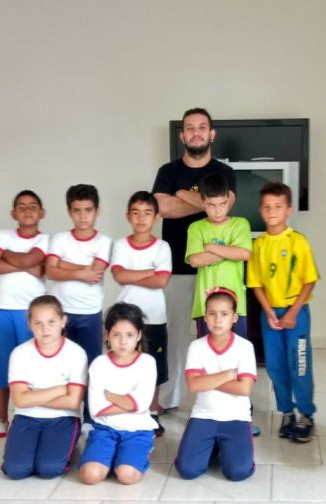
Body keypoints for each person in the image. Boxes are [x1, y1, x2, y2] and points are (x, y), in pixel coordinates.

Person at [152, 108, 236, 411]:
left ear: (211, 134)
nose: (196, 132)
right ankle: (168, 400)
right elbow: (164, 208)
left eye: (202, 127)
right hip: (176, 267)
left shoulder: (224, 172)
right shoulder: (168, 171)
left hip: (216, 269)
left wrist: (183, 195)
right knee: (174, 338)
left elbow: (226, 205)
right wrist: (208, 203)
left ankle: (217, 401)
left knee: (217, 336)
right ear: (182, 135)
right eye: (190, 127)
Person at [247, 182, 320, 443]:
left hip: (296, 314)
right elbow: (255, 283)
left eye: (278, 206)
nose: (272, 212)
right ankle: (287, 412)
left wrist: (292, 312)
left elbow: (309, 280)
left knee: (299, 365)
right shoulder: (258, 245)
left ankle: (306, 414)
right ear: (260, 210)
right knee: (275, 366)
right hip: (270, 315)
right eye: (267, 207)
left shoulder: (298, 241)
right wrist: (269, 312)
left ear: (289, 209)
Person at [0, 190, 49, 439]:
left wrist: (7, 255)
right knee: (0, 364)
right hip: (0, 310)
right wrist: (26, 264)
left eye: (33, 206)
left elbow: (36, 263)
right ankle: (1, 418)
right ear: (14, 213)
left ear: (42, 213)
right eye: (21, 206)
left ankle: (29, 415)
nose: (27, 210)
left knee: (31, 365)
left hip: (32, 313)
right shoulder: (2, 235)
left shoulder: (46, 240)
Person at [2, 295, 87, 479]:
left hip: (63, 417)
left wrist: (32, 396)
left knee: (49, 469)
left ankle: (65, 446)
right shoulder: (20, 353)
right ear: (29, 324)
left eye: (51, 322)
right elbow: (20, 401)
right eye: (38, 323)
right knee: (16, 470)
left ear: (63, 321)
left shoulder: (76, 353)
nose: (45, 329)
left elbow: (72, 402)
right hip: (26, 417)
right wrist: (60, 389)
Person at [175, 289, 257, 481]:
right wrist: (229, 375)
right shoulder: (197, 346)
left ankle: (220, 446)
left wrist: (206, 379)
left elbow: (244, 389)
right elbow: (193, 386)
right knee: (187, 470)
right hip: (204, 415)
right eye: (212, 313)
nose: (218, 320)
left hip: (236, 417)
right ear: (205, 317)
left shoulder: (245, 347)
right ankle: (213, 445)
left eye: (224, 314)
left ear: (234, 317)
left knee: (238, 473)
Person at [46, 184, 111, 424]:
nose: (83, 216)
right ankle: (65, 415)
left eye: (88, 210)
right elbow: (50, 271)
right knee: (62, 366)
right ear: (69, 211)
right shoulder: (59, 239)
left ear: (97, 211)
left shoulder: (104, 242)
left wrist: (64, 265)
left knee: (90, 366)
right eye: (77, 210)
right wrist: (81, 271)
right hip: (61, 314)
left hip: (90, 314)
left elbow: (96, 273)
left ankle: (89, 418)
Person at [110, 191, 172, 436]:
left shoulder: (162, 247)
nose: (141, 218)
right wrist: (149, 272)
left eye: (147, 213)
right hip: (124, 318)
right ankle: (126, 409)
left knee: (154, 366)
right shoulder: (120, 245)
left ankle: (152, 412)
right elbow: (119, 275)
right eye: (136, 213)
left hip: (155, 317)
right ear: (128, 216)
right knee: (124, 362)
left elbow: (162, 281)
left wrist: (133, 275)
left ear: (156, 217)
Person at [79, 303, 158, 485]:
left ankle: (130, 456)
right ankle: (111, 456)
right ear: (107, 335)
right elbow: (96, 409)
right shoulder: (99, 364)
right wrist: (129, 403)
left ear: (139, 335)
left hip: (138, 430)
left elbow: (141, 405)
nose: (123, 341)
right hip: (104, 429)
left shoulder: (147, 362)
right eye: (116, 335)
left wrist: (108, 395)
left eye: (129, 335)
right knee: (90, 476)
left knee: (126, 475)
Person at [186, 174, 252, 337]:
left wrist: (210, 247)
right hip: (205, 305)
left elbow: (244, 254)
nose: (218, 211)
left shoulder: (240, 224)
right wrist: (230, 251)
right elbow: (195, 260)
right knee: (207, 351)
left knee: (236, 350)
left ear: (228, 200)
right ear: (203, 202)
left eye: (223, 204)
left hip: (236, 306)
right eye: (212, 205)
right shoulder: (196, 228)